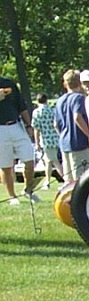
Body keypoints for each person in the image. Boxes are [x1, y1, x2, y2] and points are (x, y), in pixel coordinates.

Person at [0, 73, 37, 204]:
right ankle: (12, 196)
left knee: (29, 160)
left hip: (16, 125)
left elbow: (21, 106)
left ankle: (28, 190)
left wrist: (28, 125)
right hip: (0, 129)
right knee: (6, 166)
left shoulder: (9, 83)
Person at [53, 69, 89, 181]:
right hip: (79, 142)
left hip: (64, 143)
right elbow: (77, 117)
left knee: (69, 180)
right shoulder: (79, 98)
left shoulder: (60, 101)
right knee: (83, 178)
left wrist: (62, 135)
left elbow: (56, 124)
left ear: (65, 83)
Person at [31, 94, 60, 188]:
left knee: (54, 161)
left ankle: (66, 180)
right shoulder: (52, 110)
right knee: (48, 161)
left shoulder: (37, 112)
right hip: (55, 138)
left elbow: (36, 129)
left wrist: (37, 143)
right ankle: (47, 181)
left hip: (46, 139)